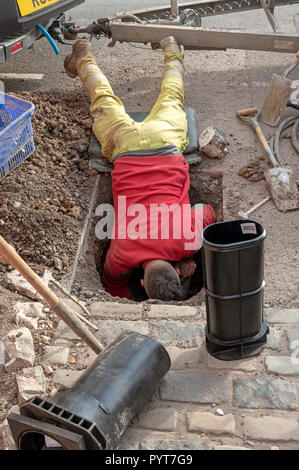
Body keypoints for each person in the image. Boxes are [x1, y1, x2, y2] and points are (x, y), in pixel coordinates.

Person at [64, 36, 216, 300]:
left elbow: (208, 212)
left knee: (172, 96)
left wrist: (185, 254)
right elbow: (113, 288)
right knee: (102, 99)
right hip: (126, 147)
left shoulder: (188, 238)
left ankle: (170, 47)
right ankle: (83, 56)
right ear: (143, 284)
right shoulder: (122, 251)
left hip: (165, 142)